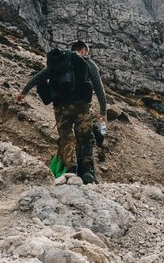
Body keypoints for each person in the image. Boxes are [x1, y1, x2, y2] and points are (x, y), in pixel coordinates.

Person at [16, 40, 107, 184]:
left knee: (66, 138)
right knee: (86, 137)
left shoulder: (59, 62)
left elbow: (40, 76)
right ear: (83, 50)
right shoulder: (88, 63)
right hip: (81, 106)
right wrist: (103, 111)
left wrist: (24, 91)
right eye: (86, 52)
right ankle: (88, 170)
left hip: (60, 107)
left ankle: (71, 169)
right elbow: (98, 87)